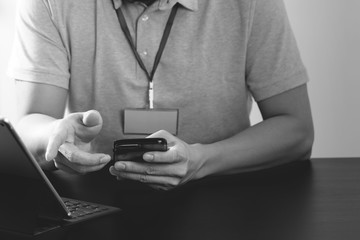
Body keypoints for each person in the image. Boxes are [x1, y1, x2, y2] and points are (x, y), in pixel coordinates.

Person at [8, 0, 314, 191]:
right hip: (98, 197)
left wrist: (201, 160)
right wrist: (54, 138)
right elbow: (29, 125)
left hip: (225, 192)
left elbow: (297, 130)